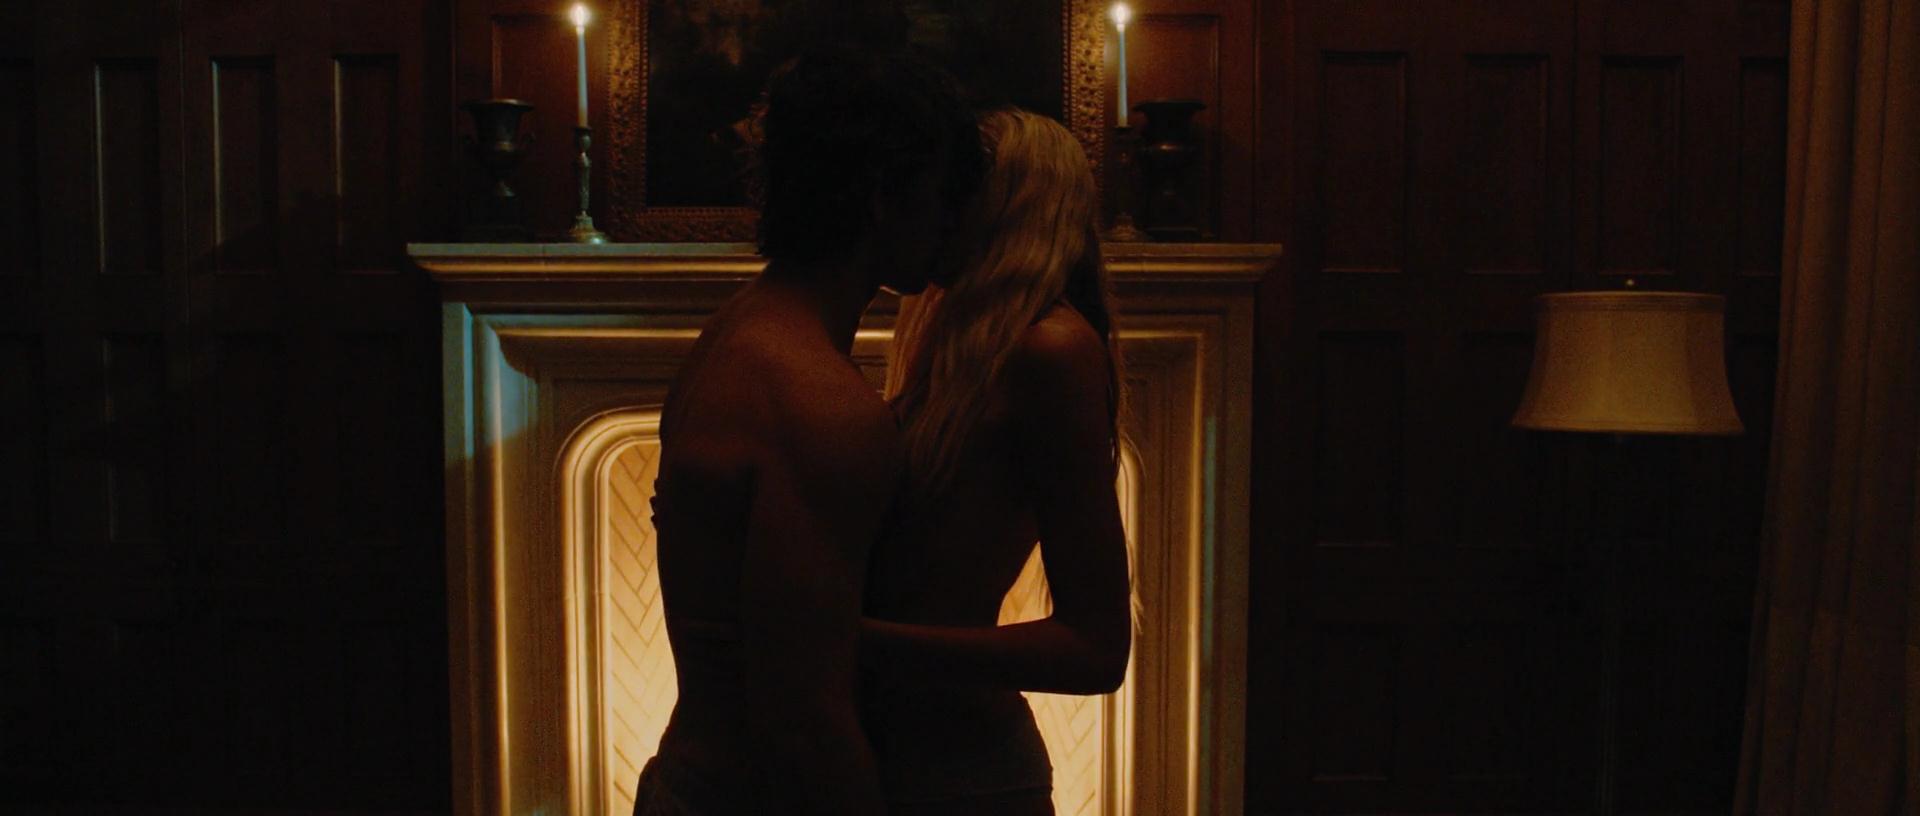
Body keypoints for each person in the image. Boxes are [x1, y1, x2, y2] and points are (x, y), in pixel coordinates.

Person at [634, 47, 982, 816]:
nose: (951, 217)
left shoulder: (740, 329)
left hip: (691, 779)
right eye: (940, 191)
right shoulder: (819, 401)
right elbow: (803, 722)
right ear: (883, 195)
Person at [860, 109, 1135, 816]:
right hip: (906, 756)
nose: (930, 205)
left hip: (965, 773)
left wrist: (848, 641)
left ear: (1009, 205)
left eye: (956, 188)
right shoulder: (955, 338)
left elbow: (1097, 649)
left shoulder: (1051, 349)